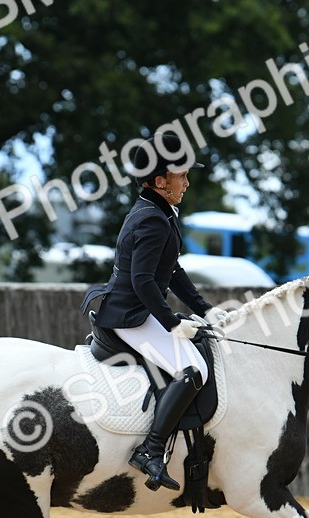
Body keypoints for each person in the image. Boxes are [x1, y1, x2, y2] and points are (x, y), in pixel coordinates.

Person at [81, 133, 222, 492]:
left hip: (137, 309)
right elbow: (143, 281)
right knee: (192, 369)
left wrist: (204, 309)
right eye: (182, 177)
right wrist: (174, 323)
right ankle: (150, 450)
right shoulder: (151, 219)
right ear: (160, 181)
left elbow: (171, 271)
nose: (187, 183)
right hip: (129, 315)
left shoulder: (159, 212)